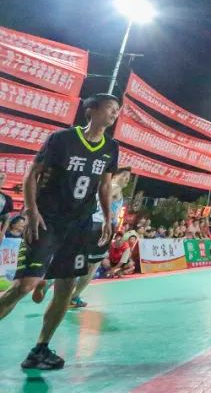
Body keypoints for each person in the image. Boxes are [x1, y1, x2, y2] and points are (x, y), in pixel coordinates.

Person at [0, 93, 120, 370]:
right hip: (48, 220)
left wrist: (107, 218)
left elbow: (104, 185)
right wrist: (31, 211)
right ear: (91, 110)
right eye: (110, 108)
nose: (115, 113)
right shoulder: (62, 139)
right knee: (24, 286)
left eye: (117, 110)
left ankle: (40, 349)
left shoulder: (111, 148)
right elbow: (32, 174)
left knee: (66, 290)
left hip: (80, 224)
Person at [67, 167, 131, 308]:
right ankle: (73, 297)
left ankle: (54, 283)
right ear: (114, 176)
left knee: (79, 261)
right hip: (101, 228)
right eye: (124, 176)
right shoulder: (114, 187)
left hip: (92, 225)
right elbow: (104, 200)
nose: (127, 179)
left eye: (128, 177)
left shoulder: (104, 186)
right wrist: (109, 215)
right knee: (92, 267)